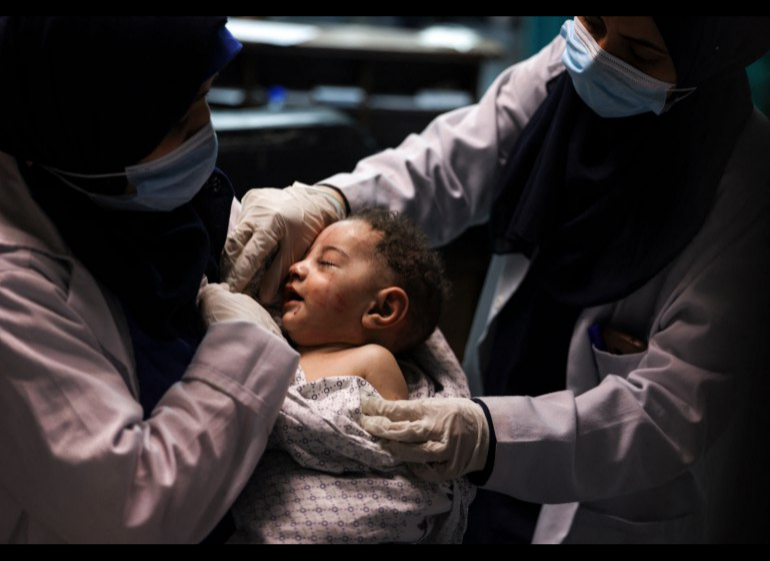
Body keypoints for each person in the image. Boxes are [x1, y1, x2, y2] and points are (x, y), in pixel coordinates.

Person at [223, 17, 770, 543]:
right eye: (595, 21)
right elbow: (445, 165)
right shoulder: (564, 72)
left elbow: (670, 408)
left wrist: (488, 435)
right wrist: (330, 201)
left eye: (643, 54)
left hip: (600, 498)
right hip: (490, 434)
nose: (600, 56)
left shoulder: (744, 186)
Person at [0, 17, 303, 544]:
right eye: (180, 123)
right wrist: (246, 346)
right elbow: (130, 509)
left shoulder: (139, 192)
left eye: (206, 98)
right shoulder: (14, 289)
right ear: (99, 127)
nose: (204, 131)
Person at [277, 208, 450, 401]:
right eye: (304, 257)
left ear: (382, 309)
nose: (296, 267)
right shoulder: (277, 336)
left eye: (327, 262)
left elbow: (394, 429)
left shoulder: (373, 361)